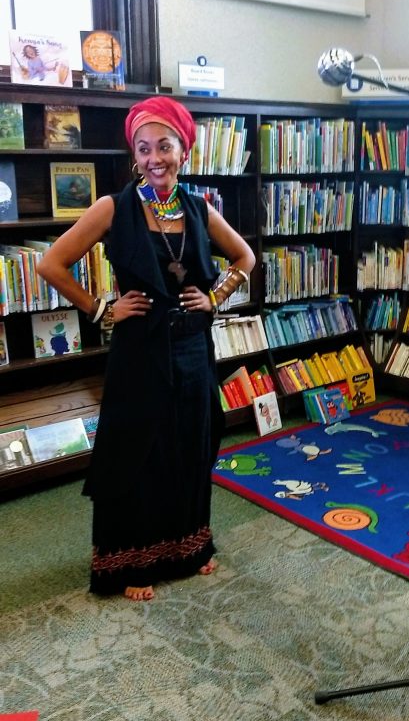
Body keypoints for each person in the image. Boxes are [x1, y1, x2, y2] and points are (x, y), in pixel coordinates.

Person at [37, 96, 255, 602]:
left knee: (190, 447)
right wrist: (101, 311)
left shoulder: (200, 208)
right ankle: (134, 560)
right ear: (134, 155)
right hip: (140, 353)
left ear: (184, 149)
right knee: (139, 454)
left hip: (193, 350)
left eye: (165, 146)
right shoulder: (113, 207)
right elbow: (52, 264)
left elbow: (244, 256)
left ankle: (189, 548)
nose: (155, 157)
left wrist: (215, 297)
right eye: (143, 148)